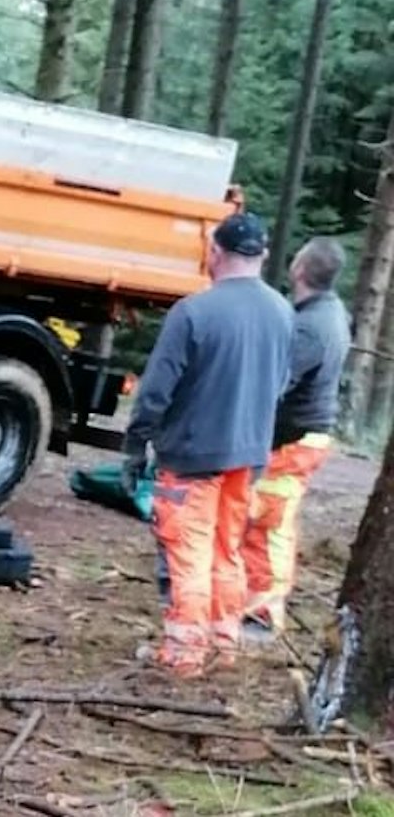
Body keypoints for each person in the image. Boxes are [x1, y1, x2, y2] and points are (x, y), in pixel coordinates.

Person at [123, 211, 294, 677]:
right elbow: (281, 384)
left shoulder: (194, 311)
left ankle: (184, 654)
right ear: (261, 256)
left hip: (194, 455)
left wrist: (136, 445)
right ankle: (224, 643)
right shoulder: (283, 312)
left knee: (189, 552)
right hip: (248, 456)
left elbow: (156, 390)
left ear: (215, 252)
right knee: (227, 550)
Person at [242, 237, 351, 641]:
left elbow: (273, 383)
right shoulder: (326, 313)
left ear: (300, 269)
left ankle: (263, 615)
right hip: (300, 436)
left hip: (294, 440)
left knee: (267, 523)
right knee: (266, 520)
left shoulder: (310, 327)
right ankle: (252, 603)